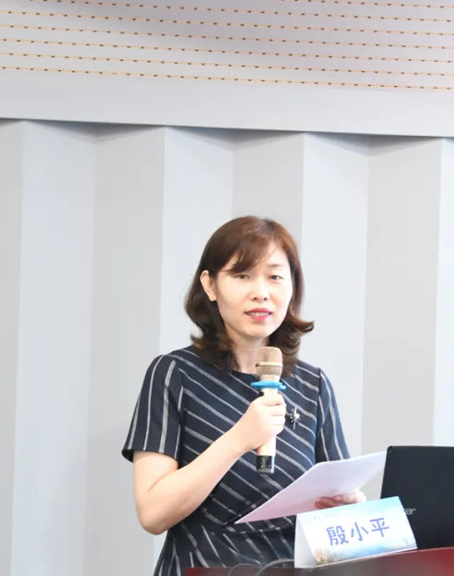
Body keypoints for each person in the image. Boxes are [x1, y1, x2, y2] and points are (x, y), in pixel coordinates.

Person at [123, 216, 364, 575]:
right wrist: (239, 439)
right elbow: (153, 513)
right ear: (210, 285)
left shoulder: (313, 385)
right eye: (242, 276)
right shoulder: (174, 374)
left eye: (275, 277)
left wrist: (349, 509)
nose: (261, 292)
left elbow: (336, 518)